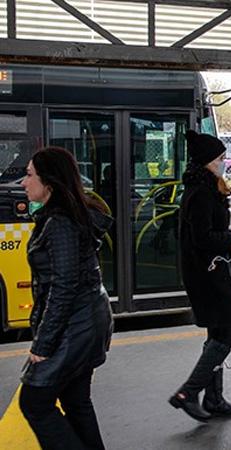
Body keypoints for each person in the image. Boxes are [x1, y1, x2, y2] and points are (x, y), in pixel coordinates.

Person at [19, 146, 114, 450]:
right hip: (87, 320)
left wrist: (43, 344)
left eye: (29, 174)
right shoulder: (62, 217)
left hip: (77, 325)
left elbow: (64, 286)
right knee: (76, 401)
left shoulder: (59, 222)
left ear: (49, 181)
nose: (23, 181)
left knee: (34, 402)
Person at [169, 130, 231, 422]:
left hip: (206, 271)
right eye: (220, 158)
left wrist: (229, 235)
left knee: (217, 333)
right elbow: (202, 238)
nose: (224, 162)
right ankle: (188, 393)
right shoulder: (201, 193)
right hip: (207, 275)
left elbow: (206, 232)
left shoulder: (204, 187)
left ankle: (214, 399)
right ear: (206, 161)